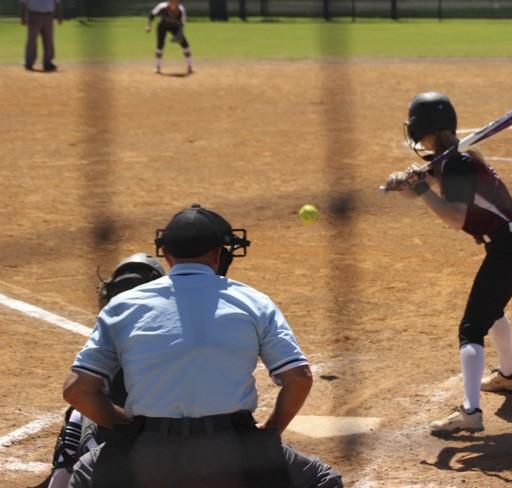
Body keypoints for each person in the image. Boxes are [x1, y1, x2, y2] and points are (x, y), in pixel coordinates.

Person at [62, 204, 341, 488]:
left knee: (83, 475)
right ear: (219, 254)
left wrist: (128, 428)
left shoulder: (123, 305)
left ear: (167, 255)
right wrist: (267, 435)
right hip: (233, 453)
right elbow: (299, 378)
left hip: (147, 456)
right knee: (322, 480)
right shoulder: (252, 301)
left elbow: (76, 389)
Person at [384, 93, 512, 435]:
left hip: (510, 246)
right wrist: (411, 184)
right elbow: (439, 191)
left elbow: (454, 216)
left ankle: (470, 412)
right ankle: (510, 377)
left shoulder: (457, 163)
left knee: (471, 328)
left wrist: (423, 189)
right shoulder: (456, 160)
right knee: (492, 308)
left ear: (422, 128)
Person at [34, 254, 166, 488]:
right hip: (180, 450)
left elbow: (77, 390)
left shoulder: (108, 338)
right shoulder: (176, 337)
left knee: (78, 414)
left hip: (114, 457)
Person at [19, 0, 63, 72]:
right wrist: (23, 17)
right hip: (34, 15)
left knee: (48, 41)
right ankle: (29, 63)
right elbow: (22, 2)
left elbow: (57, 2)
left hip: (48, 16)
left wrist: (60, 15)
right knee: (32, 40)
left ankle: (48, 63)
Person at [145, 0, 193, 74]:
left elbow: (182, 23)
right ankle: (158, 67)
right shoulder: (162, 6)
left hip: (175, 27)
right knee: (160, 44)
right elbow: (152, 14)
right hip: (163, 26)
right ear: (168, 0)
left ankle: (190, 67)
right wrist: (148, 25)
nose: (174, 1)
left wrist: (179, 34)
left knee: (185, 45)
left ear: (178, 1)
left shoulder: (181, 10)